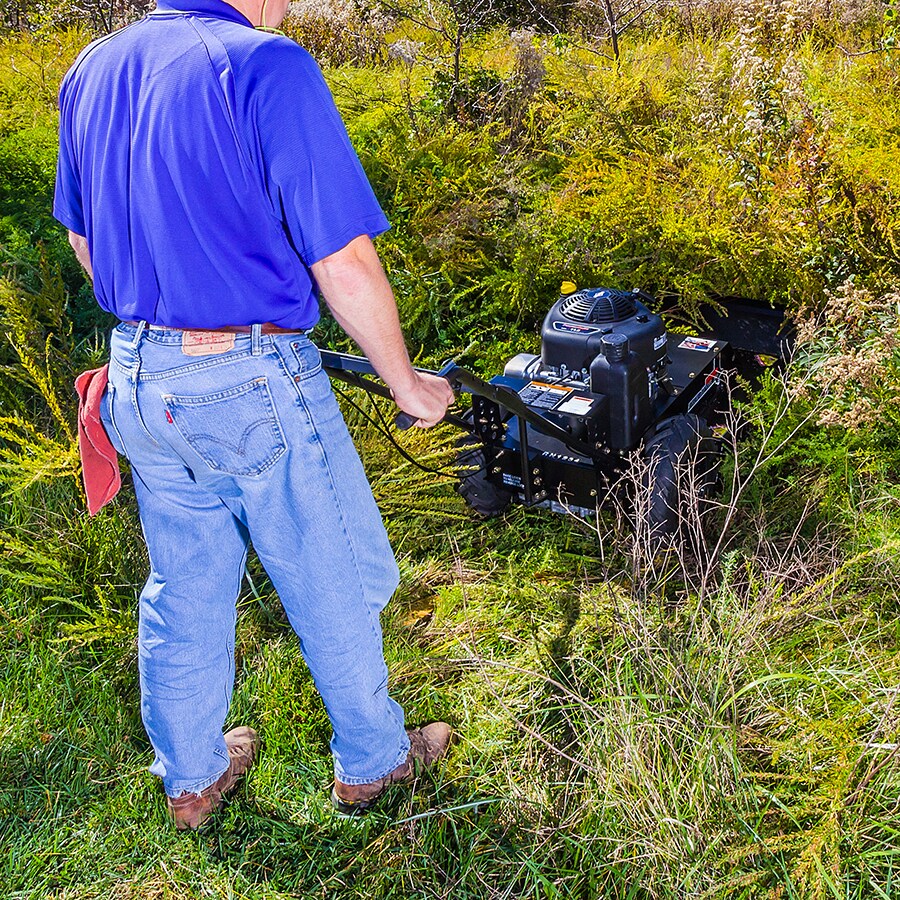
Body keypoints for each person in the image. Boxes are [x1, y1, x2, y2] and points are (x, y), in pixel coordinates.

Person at [54, 0, 455, 828]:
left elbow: (82, 240)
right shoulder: (267, 64)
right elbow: (340, 256)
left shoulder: (92, 68)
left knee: (184, 584)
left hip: (137, 375)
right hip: (249, 375)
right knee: (332, 575)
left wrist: (156, 310)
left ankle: (193, 779)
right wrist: (409, 383)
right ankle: (375, 763)